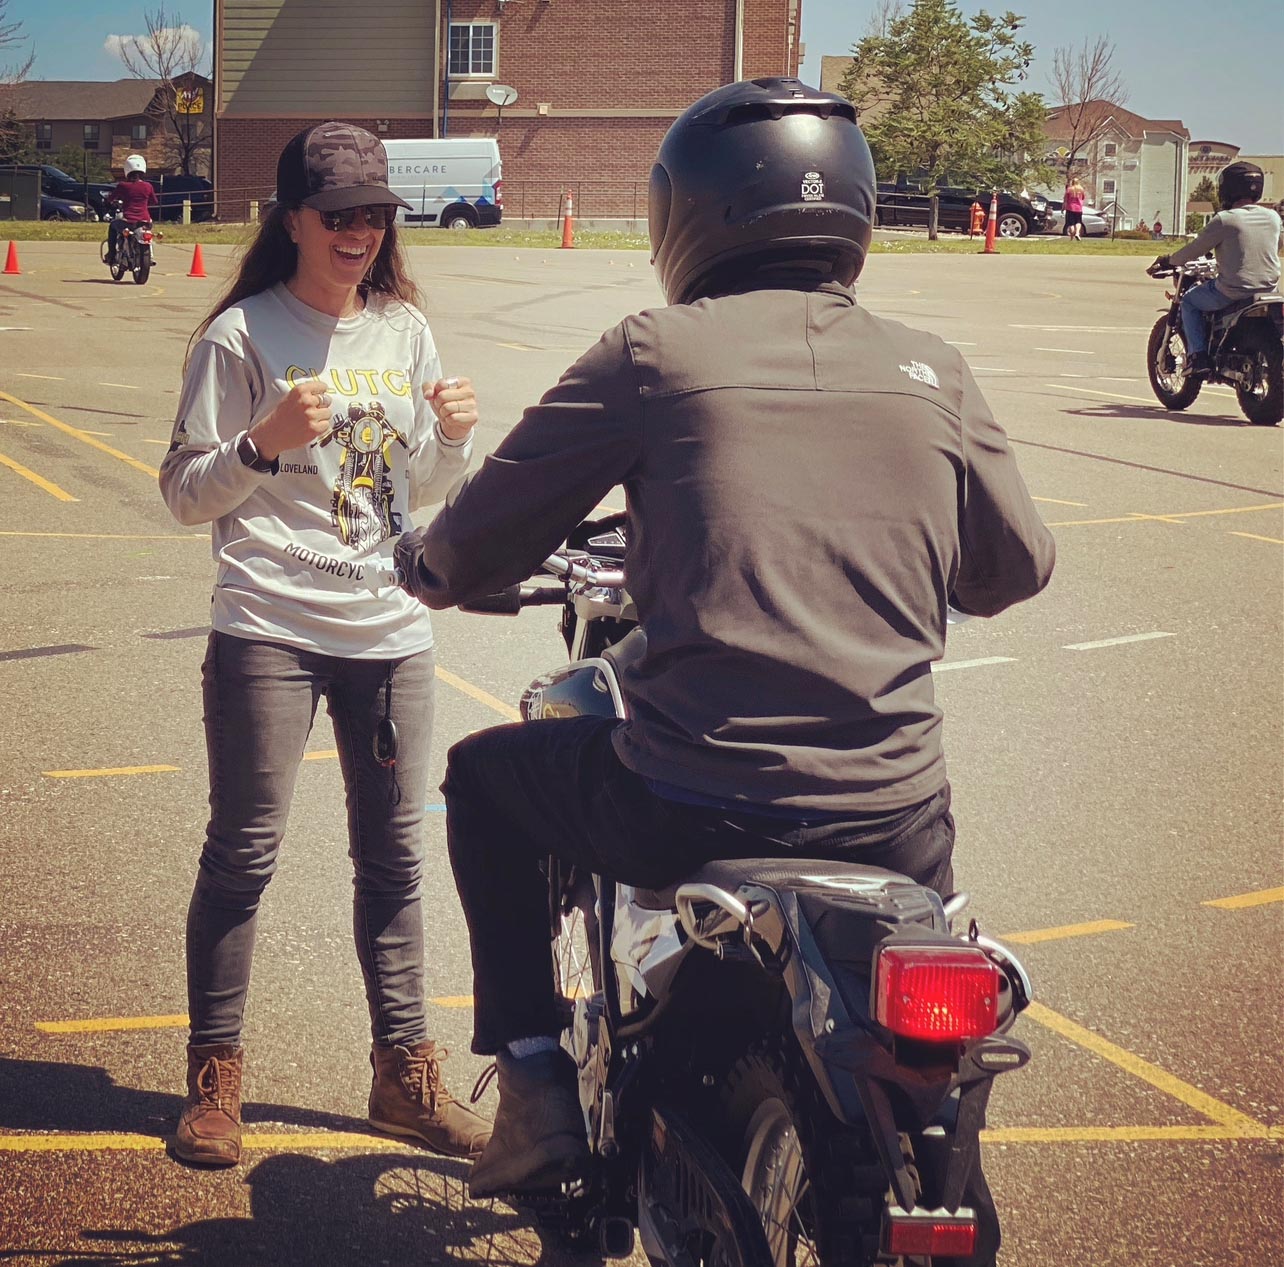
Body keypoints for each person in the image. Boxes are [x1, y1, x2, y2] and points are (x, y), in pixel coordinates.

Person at [395, 77, 1055, 1262]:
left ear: (687, 214)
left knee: (487, 778)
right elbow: (1015, 567)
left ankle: (539, 1084)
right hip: (897, 824)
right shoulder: (931, 366)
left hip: (693, 804)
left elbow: (481, 539)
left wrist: (431, 562)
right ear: (850, 205)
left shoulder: (655, 351)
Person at [158, 121, 491, 1168]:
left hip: (389, 631)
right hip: (270, 624)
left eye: (375, 213)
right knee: (244, 852)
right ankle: (215, 1077)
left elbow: (422, 492)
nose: (359, 231)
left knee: (393, 860)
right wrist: (262, 443)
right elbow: (181, 491)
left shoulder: (403, 330)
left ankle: (403, 1074)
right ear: (293, 218)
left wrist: (454, 438)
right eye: (338, 211)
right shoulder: (243, 336)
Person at [1154, 162, 1282, 374]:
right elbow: (1275, 245)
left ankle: (1199, 357)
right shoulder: (1272, 217)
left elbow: (1194, 250)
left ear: (1227, 188)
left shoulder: (1224, 219)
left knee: (1189, 301)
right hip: (1269, 291)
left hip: (1232, 290)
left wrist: (1170, 260)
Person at [105, 153, 158, 265]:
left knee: (113, 226)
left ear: (127, 170)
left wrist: (109, 201)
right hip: (145, 220)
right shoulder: (148, 186)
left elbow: (111, 198)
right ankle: (151, 256)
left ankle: (112, 254)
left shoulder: (123, 186)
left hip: (128, 220)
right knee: (148, 233)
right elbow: (154, 201)